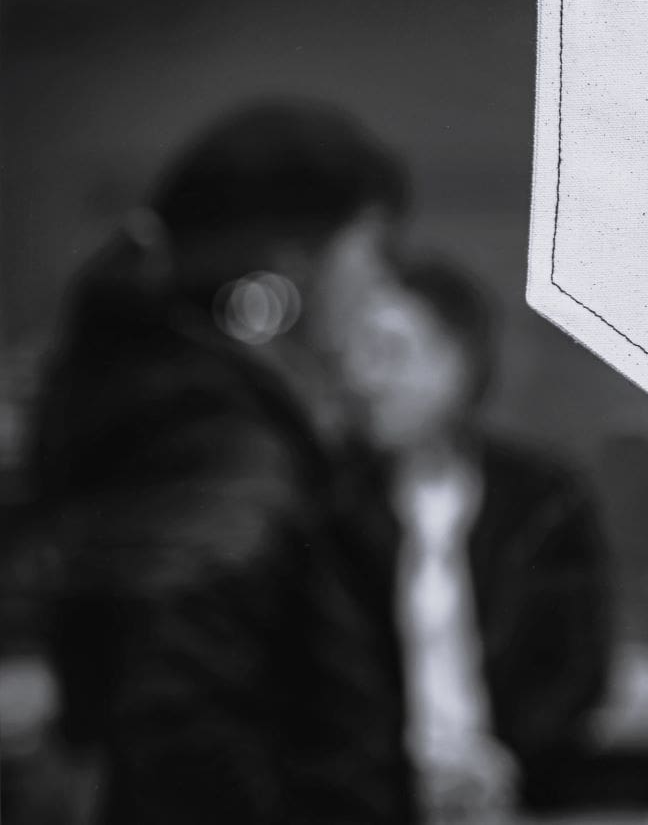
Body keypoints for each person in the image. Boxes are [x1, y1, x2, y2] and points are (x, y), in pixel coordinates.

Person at [26, 99, 417, 823]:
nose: (381, 295)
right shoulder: (217, 454)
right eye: (372, 255)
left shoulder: (175, 412)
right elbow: (180, 726)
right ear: (296, 268)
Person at [337, 256, 611, 822]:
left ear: (459, 361)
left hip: (517, 798)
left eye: (391, 352)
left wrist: (506, 762)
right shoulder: (334, 501)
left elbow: (577, 665)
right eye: (358, 355)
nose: (365, 378)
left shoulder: (543, 498)